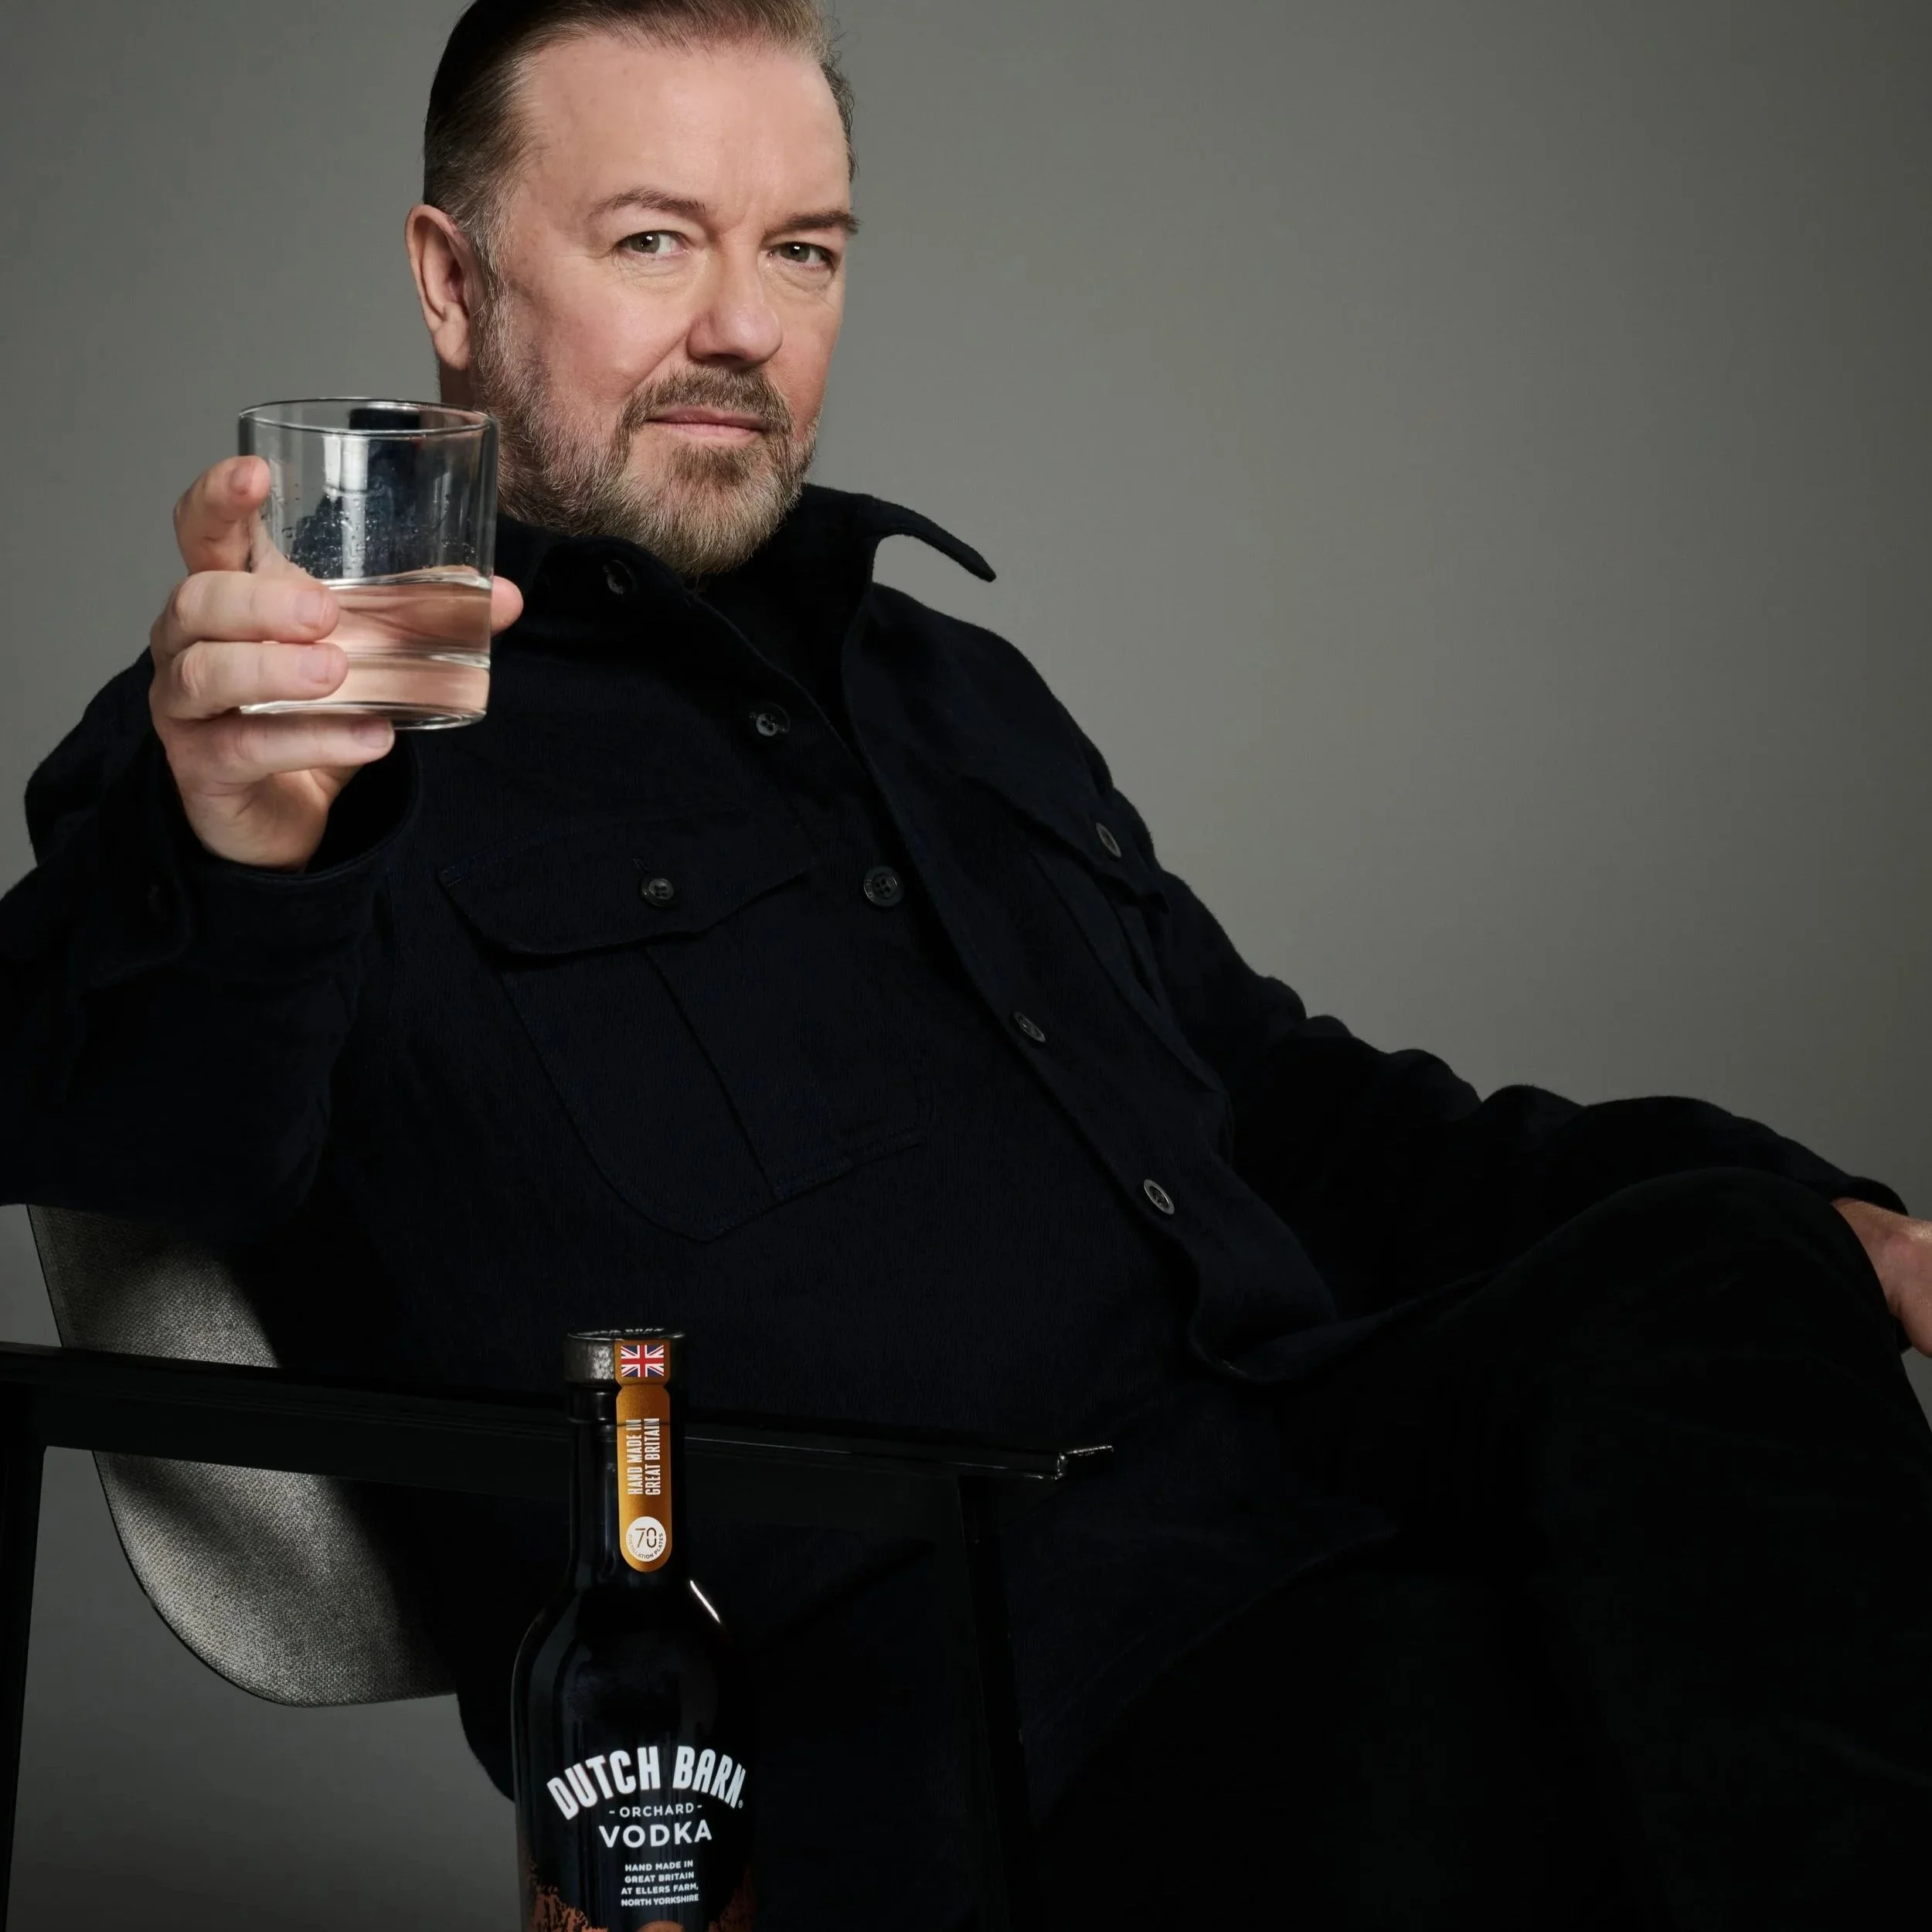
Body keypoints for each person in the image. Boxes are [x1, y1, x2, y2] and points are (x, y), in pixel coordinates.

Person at [4, 2, 1929, 1924]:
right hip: (964, 1661)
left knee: (1721, 1264)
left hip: (1306, 1459)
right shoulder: (286, 734)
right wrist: (237, 838)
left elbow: (1280, 1097)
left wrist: (1811, 1217)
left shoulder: (949, 692)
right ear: (454, 278)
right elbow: (146, 1138)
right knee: (1530, 1729)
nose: (745, 325)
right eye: (653, 238)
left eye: (803, 250)